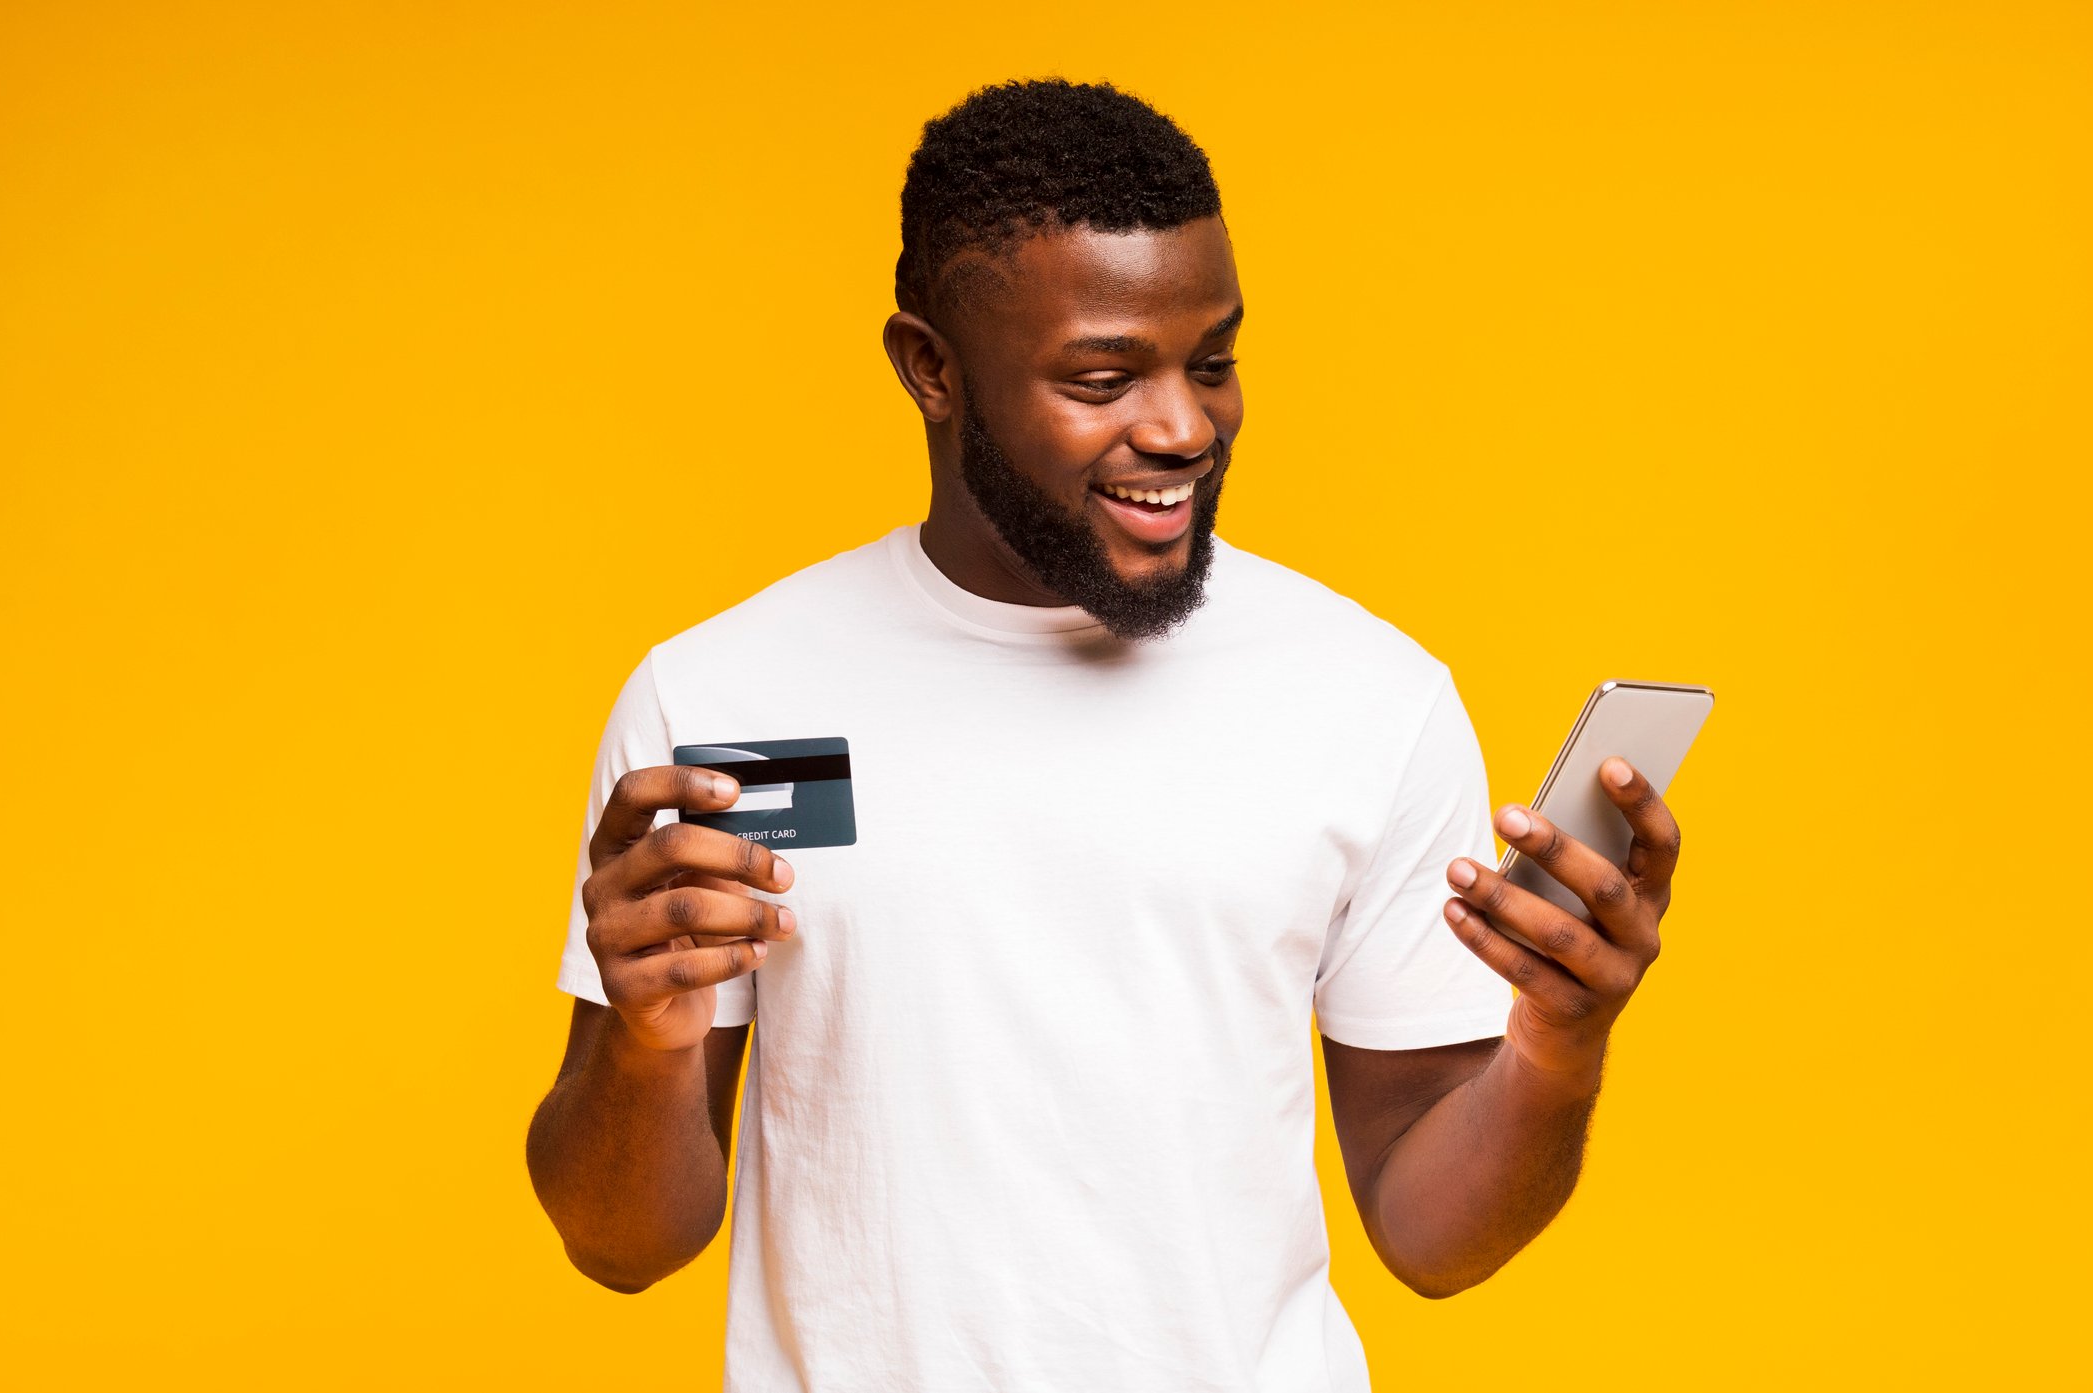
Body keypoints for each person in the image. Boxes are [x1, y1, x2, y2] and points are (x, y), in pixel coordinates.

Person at [525, 78, 1683, 1393]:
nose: (1183, 427)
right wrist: (647, 1040)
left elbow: (1433, 1236)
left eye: (1213, 360)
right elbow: (621, 1241)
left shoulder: (1365, 695)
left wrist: (1557, 1041)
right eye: (1102, 376)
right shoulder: (724, 700)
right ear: (930, 367)